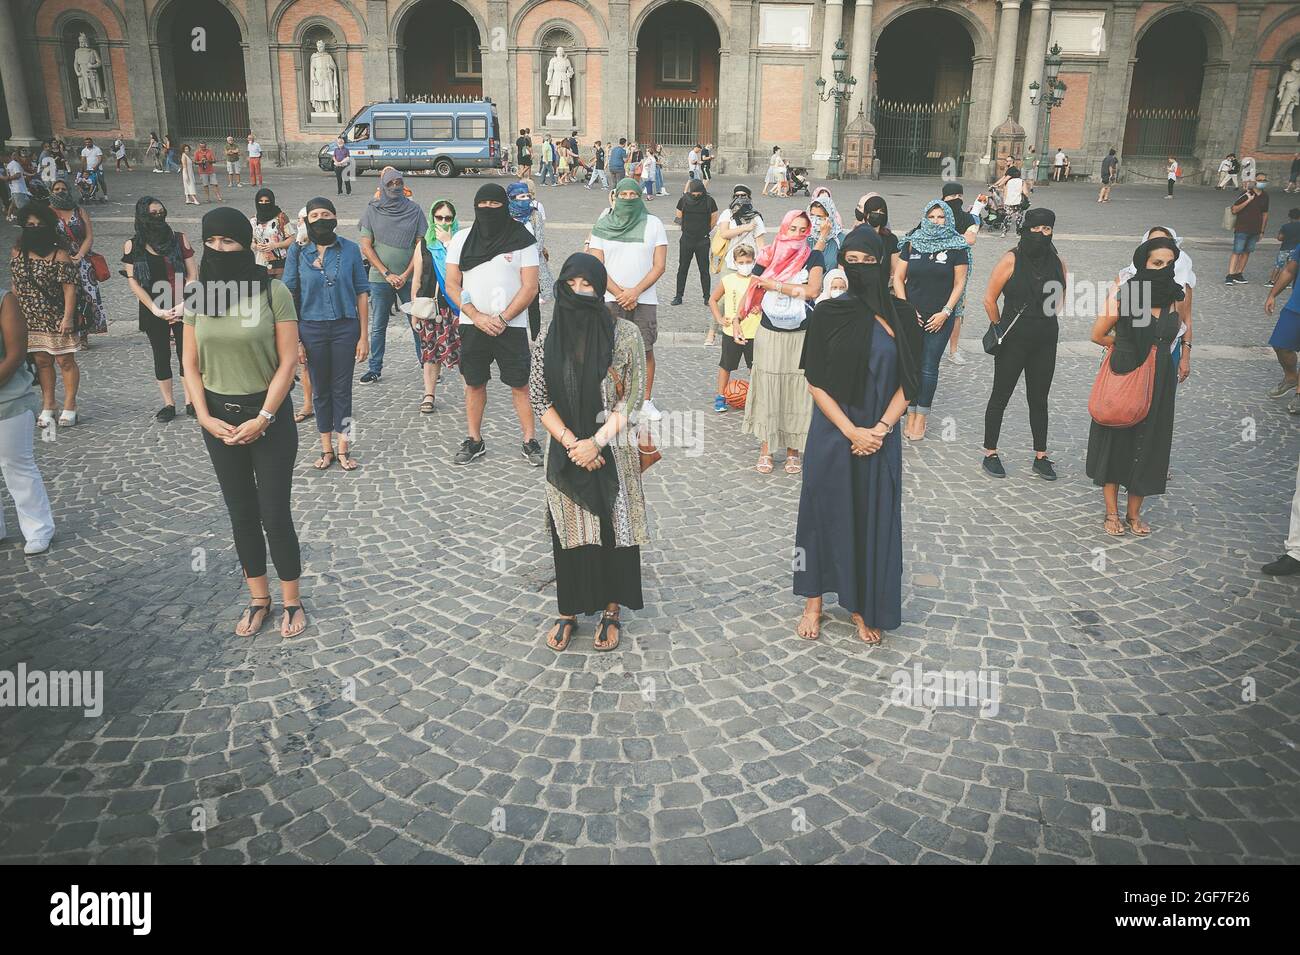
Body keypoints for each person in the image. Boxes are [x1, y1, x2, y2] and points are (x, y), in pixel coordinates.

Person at [794, 227, 921, 644]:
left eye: (870, 261)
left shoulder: (903, 316)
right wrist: (852, 430)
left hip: (880, 436)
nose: (861, 268)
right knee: (821, 513)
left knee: (873, 517)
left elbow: (910, 380)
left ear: (884, 263)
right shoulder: (829, 313)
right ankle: (813, 600)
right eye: (852, 260)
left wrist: (880, 430)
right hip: (834, 431)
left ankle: (861, 605)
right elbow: (815, 380)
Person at [183, 207, 306, 637]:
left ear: (244, 243)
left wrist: (265, 416)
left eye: (228, 241)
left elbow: (288, 360)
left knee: (274, 513)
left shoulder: (274, 293)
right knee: (241, 514)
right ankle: (259, 598)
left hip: (269, 415)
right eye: (211, 241)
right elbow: (190, 364)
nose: (219, 248)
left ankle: (291, 599)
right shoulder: (197, 294)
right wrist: (202, 416)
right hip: (217, 419)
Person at [531, 253, 648, 652]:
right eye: (572, 285)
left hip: (613, 446)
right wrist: (572, 444)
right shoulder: (549, 335)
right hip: (564, 450)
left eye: (589, 285)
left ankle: (611, 609)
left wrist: (596, 442)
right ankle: (569, 609)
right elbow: (538, 397)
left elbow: (631, 398)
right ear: (562, 286)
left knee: (615, 531)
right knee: (570, 533)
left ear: (601, 288)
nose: (580, 292)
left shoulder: (625, 333)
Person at [1086, 237, 1183, 537]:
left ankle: (1134, 513)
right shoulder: (1127, 295)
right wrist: (1126, 346)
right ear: (1143, 263)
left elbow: (1181, 329)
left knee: (1150, 441)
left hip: (1161, 378)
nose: (1164, 269)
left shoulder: (1176, 296)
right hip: (1128, 370)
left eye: (1169, 264)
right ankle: (1112, 511)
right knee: (1118, 438)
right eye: (1157, 263)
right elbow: (1098, 334)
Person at [444, 183, 542, 466]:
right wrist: (476, 316)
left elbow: (530, 287)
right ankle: (474, 439)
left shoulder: (524, 240)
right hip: (472, 324)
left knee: (520, 384)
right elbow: (452, 284)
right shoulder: (461, 240)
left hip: (510, 325)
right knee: (474, 383)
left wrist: (502, 318)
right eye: (482, 205)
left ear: (505, 206)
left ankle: (529, 440)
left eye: (494, 205)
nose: (487, 210)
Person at [980, 208, 1067, 480]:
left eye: (1047, 230)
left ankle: (1041, 456)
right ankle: (990, 452)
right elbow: (989, 299)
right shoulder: (1011, 259)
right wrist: (998, 328)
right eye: (1036, 229)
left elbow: (1059, 301)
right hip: (1013, 339)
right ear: (1026, 228)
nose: (1041, 234)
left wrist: (1043, 318)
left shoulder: (1058, 262)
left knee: (1039, 399)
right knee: (1000, 396)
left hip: (1045, 339)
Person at [283, 197, 370, 471]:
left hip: (346, 327)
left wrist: (364, 335)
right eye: (315, 215)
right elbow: (289, 296)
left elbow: (362, 293)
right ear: (306, 220)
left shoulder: (351, 249)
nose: (321, 219)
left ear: (335, 217)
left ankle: (345, 446)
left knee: (343, 389)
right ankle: (326, 448)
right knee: (320, 390)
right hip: (311, 328)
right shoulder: (298, 253)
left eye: (326, 213)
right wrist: (295, 340)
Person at [740, 210, 828, 473]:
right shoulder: (768, 254)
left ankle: (793, 449)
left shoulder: (813, 256)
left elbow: (813, 291)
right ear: (784, 227)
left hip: (800, 334)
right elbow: (753, 286)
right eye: (794, 228)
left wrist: (775, 285)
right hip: (769, 332)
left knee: (796, 390)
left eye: (804, 230)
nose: (799, 234)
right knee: (768, 387)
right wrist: (737, 318)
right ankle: (766, 448)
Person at [588, 178, 669, 421]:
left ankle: (644, 400)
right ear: (616, 196)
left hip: (643, 298)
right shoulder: (602, 225)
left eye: (634, 195)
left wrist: (634, 292)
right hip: (610, 298)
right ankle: (613, 399)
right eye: (624, 195)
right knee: (609, 350)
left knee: (645, 349)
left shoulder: (654, 224)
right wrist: (619, 292)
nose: (629, 199)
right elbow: (595, 263)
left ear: (640, 196)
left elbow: (659, 265)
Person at [893, 200, 970, 441]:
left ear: (948, 218)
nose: (936, 221)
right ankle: (909, 410)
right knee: (911, 365)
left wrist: (946, 312)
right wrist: (906, 308)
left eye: (941, 217)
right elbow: (898, 277)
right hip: (912, 315)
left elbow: (960, 284)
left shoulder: (957, 246)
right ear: (925, 218)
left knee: (928, 367)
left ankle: (921, 417)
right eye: (932, 216)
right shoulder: (912, 243)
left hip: (940, 316)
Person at [123, 196, 198, 421]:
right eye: (152, 214)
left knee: (187, 354)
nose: (158, 217)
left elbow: (192, 274)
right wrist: (155, 309)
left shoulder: (179, 239)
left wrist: (185, 303)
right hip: (153, 306)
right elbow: (133, 281)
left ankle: (190, 400)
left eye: (160, 212)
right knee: (161, 354)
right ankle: (168, 403)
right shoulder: (132, 245)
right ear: (142, 217)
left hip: (182, 303)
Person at [13, 203, 79, 430]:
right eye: (30, 225)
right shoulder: (18, 253)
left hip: (56, 316)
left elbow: (70, 289)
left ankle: (70, 404)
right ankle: (48, 403)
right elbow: (16, 286)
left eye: (39, 224)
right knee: (41, 362)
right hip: (29, 317)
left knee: (65, 361)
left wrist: (67, 318)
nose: (35, 228)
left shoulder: (59, 255)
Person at [358, 167, 427, 384]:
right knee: (378, 325)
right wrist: (386, 273)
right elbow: (366, 247)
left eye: (398, 182)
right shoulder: (372, 210)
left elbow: (421, 245)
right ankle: (374, 369)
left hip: (410, 278)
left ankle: (427, 365)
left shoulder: (414, 211)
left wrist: (406, 274)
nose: (395, 187)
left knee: (417, 323)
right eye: (390, 184)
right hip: (380, 279)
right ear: (383, 186)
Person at [0, 286, 55, 555]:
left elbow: (15, 354)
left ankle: (38, 529)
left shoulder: (4, 300)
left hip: (8, 400)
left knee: (16, 465)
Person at [405, 198, 463, 413]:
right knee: (430, 353)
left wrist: (449, 244)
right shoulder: (424, 245)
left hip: (455, 306)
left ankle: (470, 391)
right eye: (439, 217)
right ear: (432, 218)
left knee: (463, 352)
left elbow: (463, 273)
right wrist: (414, 310)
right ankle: (429, 394)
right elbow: (417, 279)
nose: (444, 222)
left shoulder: (460, 243)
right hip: (430, 306)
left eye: (448, 218)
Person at [48, 178, 107, 344]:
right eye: (57, 189)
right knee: (63, 296)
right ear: (51, 191)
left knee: (86, 297)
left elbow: (89, 236)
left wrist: (79, 255)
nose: (60, 191)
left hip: (82, 261)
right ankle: (67, 332)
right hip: (58, 261)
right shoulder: (47, 213)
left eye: (63, 188)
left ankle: (83, 335)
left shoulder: (79, 211)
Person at [938, 182, 984, 367]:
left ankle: (953, 350)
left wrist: (943, 237)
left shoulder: (969, 219)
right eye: (951, 197)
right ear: (944, 199)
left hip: (960, 267)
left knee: (957, 310)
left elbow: (970, 239)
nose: (956, 199)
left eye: (959, 196)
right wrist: (958, 237)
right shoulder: (937, 214)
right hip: (935, 265)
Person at [709, 242, 759, 412]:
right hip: (731, 332)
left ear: (754, 261)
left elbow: (765, 301)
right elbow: (713, 300)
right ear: (735, 262)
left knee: (755, 368)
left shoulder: (759, 281)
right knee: (726, 365)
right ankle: (721, 396)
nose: (745, 265)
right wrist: (719, 318)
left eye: (748, 262)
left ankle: (755, 399)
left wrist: (760, 307)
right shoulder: (728, 280)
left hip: (754, 331)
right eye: (741, 262)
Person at [506, 180, 553, 340]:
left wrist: (526, 259)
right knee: (512, 304)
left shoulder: (535, 215)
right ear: (512, 198)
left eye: (527, 196)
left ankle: (536, 338)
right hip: (511, 268)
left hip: (533, 268)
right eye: (521, 196)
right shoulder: (506, 216)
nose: (525, 199)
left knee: (533, 305)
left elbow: (539, 241)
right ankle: (513, 337)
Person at [1264, 241, 1300, 415]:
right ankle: (1291, 376)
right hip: (1296, 305)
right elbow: (1289, 270)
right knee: (1280, 345)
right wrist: (1272, 295)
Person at [672, 178, 718, 306]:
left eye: (699, 193)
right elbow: (678, 216)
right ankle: (678, 296)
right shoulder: (684, 200)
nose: (696, 195)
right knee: (682, 268)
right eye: (694, 193)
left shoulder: (709, 201)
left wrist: (706, 230)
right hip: (687, 239)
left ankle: (707, 297)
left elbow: (714, 218)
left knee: (704, 269)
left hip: (702, 240)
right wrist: (686, 227)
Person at [1226, 180, 1270, 284]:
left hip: (1255, 229)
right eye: (1260, 180)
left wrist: (1262, 230)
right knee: (1237, 251)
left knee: (1247, 252)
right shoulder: (1246, 194)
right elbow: (1234, 209)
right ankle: (1230, 275)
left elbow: (1265, 214)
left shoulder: (1265, 196)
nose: (1262, 182)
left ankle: (1239, 273)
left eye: (1264, 180)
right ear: (1255, 182)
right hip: (1242, 228)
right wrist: (1248, 200)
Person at [250, 188, 293, 280]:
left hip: (280, 261)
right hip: (261, 263)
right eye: (261, 201)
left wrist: (276, 245)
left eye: (267, 201)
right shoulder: (253, 220)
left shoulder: (281, 217)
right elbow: (251, 241)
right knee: (263, 291)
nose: (264, 203)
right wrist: (256, 246)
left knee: (279, 289)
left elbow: (291, 239)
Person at [808, 191, 845, 272]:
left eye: (819, 217)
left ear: (829, 218)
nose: (814, 220)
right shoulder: (806, 237)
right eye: (812, 215)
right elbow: (808, 265)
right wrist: (823, 236)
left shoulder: (840, 239)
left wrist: (825, 233)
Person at [1269, 207, 1300, 289]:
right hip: (1295, 249)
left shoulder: (1285, 226)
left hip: (1284, 248)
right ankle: (1287, 282)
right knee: (1290, 267)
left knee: (1278, 265)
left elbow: (1280, 238)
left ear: (1289, 217)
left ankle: (1272, 281)